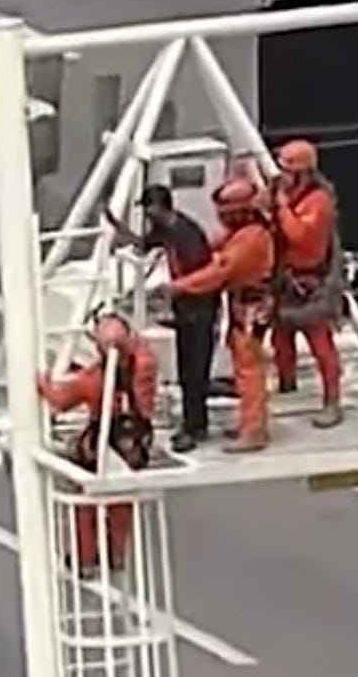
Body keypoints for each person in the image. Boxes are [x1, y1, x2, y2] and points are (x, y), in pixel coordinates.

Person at [36, 313, 158, 574]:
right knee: (121, 501)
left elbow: (60, 401)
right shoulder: (145, 368)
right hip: (134, 447)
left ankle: (85, 557)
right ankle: (117, 554)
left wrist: (43, 384)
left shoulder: (92, 381)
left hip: (101, 448)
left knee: (84, 500)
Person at [106, 185, 219, 453]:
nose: (146, 213)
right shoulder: (165, 230)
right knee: (186, 369)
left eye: (148, 207)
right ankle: (194, 422)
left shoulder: (186, 233)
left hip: (201, 306)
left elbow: (203, 274)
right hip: (185, 306)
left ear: (159, 207)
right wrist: (117, 227)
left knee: (196, 369)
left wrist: (175, 289)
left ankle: (196, 426)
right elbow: (144, 245)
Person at [167, 178, 275, 454]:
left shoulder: (250, 239)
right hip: (243, 307)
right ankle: (249, 422)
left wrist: (179, 286)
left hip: (251, 308)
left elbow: (219, 273)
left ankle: (254, 431)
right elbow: (215, 247)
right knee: (243, 366)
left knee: (249, 369)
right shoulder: (244, 232)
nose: (221, 218)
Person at [269, 139, 345, 429]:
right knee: (280, 338)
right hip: (285, 280)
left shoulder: (318, 201)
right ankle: (287, 383)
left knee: (321, 345)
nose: (282, 176)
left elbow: (299, 235)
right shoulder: (284, 193)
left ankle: (332, 401)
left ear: (302, 173)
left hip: (311, 283)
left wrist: (281, 206)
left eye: (287, 171)